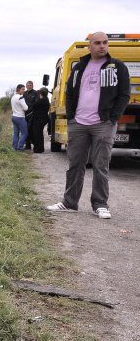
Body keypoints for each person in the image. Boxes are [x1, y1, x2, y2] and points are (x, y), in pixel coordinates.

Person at [46, 32, 130, 219]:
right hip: (79, 123)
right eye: (98, 43)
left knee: (101, 165)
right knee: (75, 164)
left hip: (103, 124)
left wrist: (112, 118)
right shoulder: (79, 68)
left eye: (105, 43)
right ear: (89, 46)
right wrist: (71, 119)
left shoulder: (117, 67)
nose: (102, 46)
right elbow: (69, 93)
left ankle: (100, 204)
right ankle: (69, 202)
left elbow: (124, 94)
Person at [30, 87, 50, 153]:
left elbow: (33, 105)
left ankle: (38, 149)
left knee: (37, 134)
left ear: (41, 93)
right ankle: (40, 148)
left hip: (39, 120)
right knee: (40, 134)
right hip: (43, 119)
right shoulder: (46, 99)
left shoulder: (42, 100)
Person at [11, 84, 29, 151]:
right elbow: (26, 108)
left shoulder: (13, 97)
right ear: (18, 89)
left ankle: (14, 147)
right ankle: (20, 147)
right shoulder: (21, 97)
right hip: (20, 117)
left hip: (14, 116)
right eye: (23, 89)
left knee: (16, 133)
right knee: (24, 133)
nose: (24, 91)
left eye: (24, 89)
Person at [23, 81, 39, 150]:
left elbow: (36, 103)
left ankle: (36, 145)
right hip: (24, 114)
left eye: (30, 85)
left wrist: (31, 110)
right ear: (26, 86)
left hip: (32, 114)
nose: (29, 86)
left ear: (33, 86)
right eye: (28, 85)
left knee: (32, 130)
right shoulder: (24, 93)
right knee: (26, 130)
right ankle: (28, 146)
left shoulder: (36, 93)